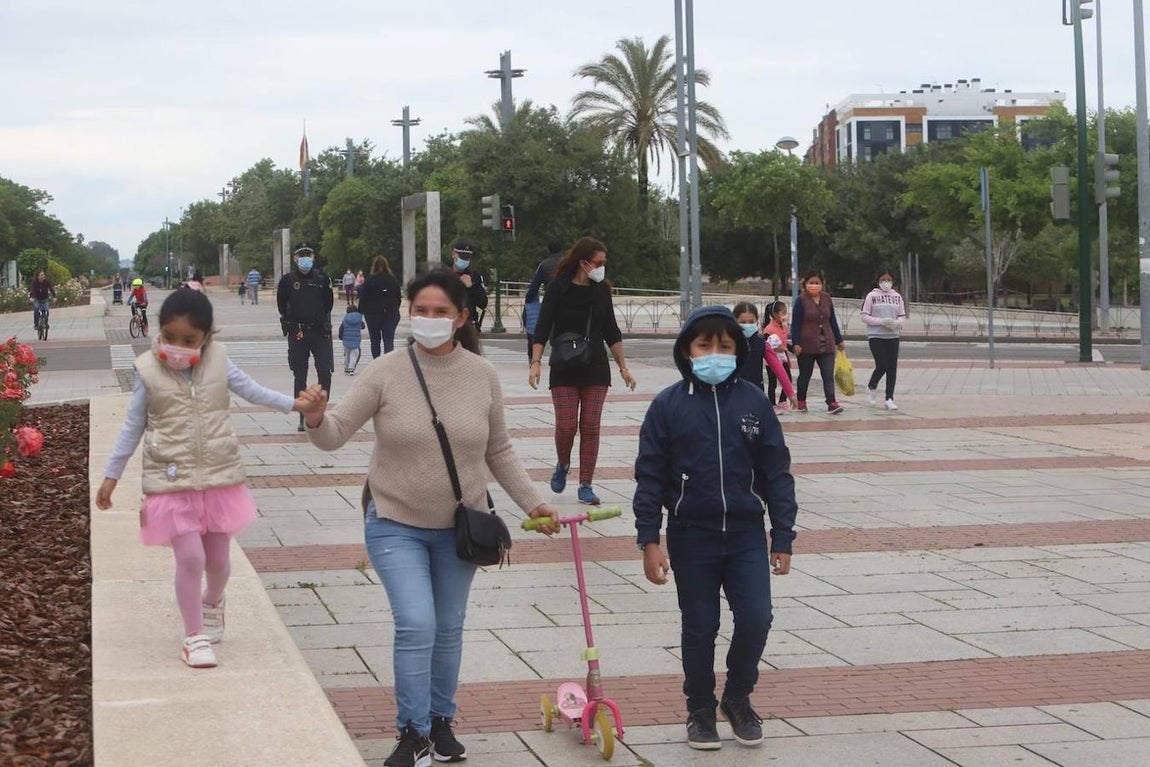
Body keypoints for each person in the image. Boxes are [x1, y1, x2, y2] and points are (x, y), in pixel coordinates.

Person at [296, 269, 559, 767]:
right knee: (417, 624)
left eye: (441, 311)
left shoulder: (481, 375)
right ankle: (412, 731)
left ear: (461, 318)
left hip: (459, 528)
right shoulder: (386, 371)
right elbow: (335, 433)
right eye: (421, 310)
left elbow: (498, 449)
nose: (430, 319)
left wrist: (533, 503)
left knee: (449, 627)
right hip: (394, 521)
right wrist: (314, 417)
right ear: (408, 313)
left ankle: (441, 722)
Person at [95, 288, 316, 669]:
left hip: (218, 479)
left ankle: (213, 601)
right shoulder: (147, 370)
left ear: (207, 337)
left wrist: (294, 404)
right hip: (171, 483)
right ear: (159, 332)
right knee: (191, 558)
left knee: (218, 562)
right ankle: (194, 636)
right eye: (170, 337)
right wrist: (111, 475)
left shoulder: (219, 361)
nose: (177, 348)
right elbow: (132, 426)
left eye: (189, 340)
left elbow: (253, 391)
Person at [633, 305, 797, 751]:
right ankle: (700, 709)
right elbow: (650, 476)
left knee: (757, 617)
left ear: (738, 351)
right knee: (700, 625)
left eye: (724, 346)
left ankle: (737, 696)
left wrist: (783, 535)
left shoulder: (754, 401)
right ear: (687, 350)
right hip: (691, 534)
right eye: (704, 345)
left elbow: (777, 472)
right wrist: (649, 539)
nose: (714, 355)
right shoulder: (668, 406)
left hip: (746, 534)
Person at [528, 236, 636, 506]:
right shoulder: (558, 288)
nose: (602, 268)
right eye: (598, 263)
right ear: (583, 262)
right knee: (566, 426)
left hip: (595, 366)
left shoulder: (601, 291)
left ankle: (586, 484)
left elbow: (611, 330)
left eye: (604, 263)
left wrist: (623, 367)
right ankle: (563, 463)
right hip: (564, 365)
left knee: (590, 425)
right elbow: (543, 326)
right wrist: (535, 362)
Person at [277, 245, 334, 432]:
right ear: (295, 258)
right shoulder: (287, 280)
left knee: (325, 371)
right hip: (298, 332)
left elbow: (328, 303)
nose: (304, 258)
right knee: (299, 374)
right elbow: (281, 304)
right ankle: (303, 415)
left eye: (307, 255)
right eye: (301, 255)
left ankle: (320, 409)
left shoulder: (322, 278)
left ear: (313, 257)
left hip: (318, 331)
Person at [791, 271, 845, 414]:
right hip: (806, 344)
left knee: (828, 374)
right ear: (805, 284)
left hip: (827, 343)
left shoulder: (827, 298)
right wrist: (796, 343)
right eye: (811, 283)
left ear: (822, 284)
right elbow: (795, 323)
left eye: (817, 283)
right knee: (805, 374)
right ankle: (801, 400)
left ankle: (831, 402)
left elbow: (832, 320)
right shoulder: (801, 300)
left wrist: (839, 340)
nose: (814, 285)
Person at [733, 302, 796, 411]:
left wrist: (790, 393)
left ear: (757, 322)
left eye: (751, 322)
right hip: (733, 393)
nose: (747, 325)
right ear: (734, 322)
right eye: (743, 322)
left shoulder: (762, 344)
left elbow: (778, 368)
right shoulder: (728, 344)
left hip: (756, 393)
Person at [861, 271, 907, 410]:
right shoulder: (872, 296)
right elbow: (864, 316)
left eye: (889, 280)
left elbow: (902, 316)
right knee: (882, 365)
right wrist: (881, 321)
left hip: (893, 336)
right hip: (876, 335)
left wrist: (896, 323)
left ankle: (889, 398)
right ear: (878, 281)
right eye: (883, 280)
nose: (886, 282)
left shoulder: (897, 297)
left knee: (892, 367)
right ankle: (872, 385)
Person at [522, 241, 564, 359]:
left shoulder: (544, 265)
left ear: (548, 250)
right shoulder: (568, 263)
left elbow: (535, 286)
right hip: (568, 300)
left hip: (551, 301)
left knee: (545, 329)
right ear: (561, 249)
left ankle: (538, 358)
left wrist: (529, 298)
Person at [358, 255, 402, 357]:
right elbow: (398, 297)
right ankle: (387, 362)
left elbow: (363, 298)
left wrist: (360, 313)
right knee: (389, 340)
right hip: (390, 312)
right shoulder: (393, 280)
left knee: (375, 340)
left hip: (372, 314)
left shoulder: (369, 280)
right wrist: (394, 308)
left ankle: (376, 361)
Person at [449, 241, 488, 331]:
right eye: (462, 257)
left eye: (467, 258)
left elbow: (483, 303)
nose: (464, 261)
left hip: (468, 324)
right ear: (453, 255)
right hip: (449, 323)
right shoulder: (444, 275)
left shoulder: (474, 276)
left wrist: (471, 287)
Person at [762, 301, 793, 408]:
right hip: (771, 360)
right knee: (773, 383)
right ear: (775, 315)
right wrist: (775, 348)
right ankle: (772, 404)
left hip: (783, 358)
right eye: (783, 313)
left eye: (786, 312)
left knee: (788, 379)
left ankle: (782, 401)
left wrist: (792, 349)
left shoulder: (784, 327)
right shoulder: (769, 329)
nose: (785, 315)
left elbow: (784, 343)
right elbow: (766, 344)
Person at [339, 302, 365, 375]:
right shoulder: (359, 319)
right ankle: (351, 368)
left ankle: (346, 367)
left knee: (347, 355)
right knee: (354, 354)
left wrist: (341, 337)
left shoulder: (345, 319)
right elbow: (363, 326)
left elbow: (341, 329)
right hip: (356, 340)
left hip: (346, 340)